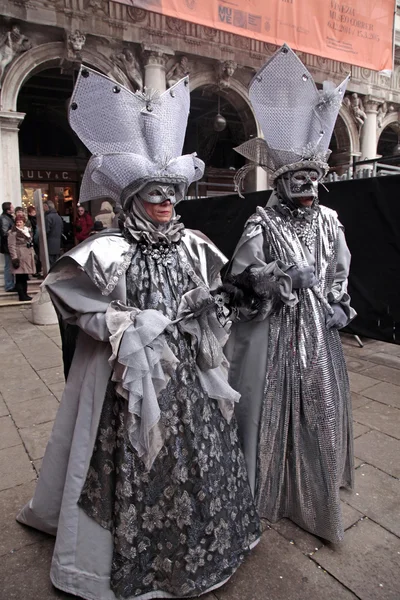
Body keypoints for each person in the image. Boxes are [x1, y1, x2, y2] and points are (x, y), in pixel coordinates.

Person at [17, 66, 260, 600]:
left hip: (186, 371)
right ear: (132, 199)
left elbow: (212, 294)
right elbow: (72, 300)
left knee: (198, 451)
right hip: (126, 375)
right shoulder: (107, 250)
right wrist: (122, 322)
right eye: (156, 195)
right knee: (118, 453)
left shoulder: (193, 243)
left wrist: (207, 307)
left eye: (171, 193)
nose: (167, 202)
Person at [225, 45, 356, 544]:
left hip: (318, 331)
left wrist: (338, 299)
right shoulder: (262, 221)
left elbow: (340, 266)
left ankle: (316, 489)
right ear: (280, 181)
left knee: (320, 403)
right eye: (300, 177)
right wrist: (276, 279)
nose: (310, 185)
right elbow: (239, 277)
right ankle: (270, 490)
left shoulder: (327, 220)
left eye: (315, 177)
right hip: (273, 329)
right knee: (267, 406)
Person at [8, 212, 35, 301]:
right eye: (17, 222)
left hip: (27, 256)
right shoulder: (13, 233)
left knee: (25, 277)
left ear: (24, 222)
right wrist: (14, 258)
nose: (19, 224)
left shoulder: (27, 230)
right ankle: (21, 295)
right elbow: (11, 246)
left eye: (20, 222)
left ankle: (25, 294)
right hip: (19, 256)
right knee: (19, 277)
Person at [0, 201, 15, 291]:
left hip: (9, 245)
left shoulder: (8, 218)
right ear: (8, 210)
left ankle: (11, 284)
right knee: (9, 266)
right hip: (8, 246)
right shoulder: (4, 219)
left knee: (11, 265)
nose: (13, 208)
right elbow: (4, 232)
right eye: (12, 207)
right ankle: (9, 285)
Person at [43, 200, 63, 267]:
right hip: (57, 242)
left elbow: (46, 230)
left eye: (44, 206)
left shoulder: (48, 217)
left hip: (49, 243)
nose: (43, 208)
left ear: (46, 206)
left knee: (50, 262)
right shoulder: (58, 217)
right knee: (56, 262)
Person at [27, 205, 42, 277]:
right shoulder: (32, 220)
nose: (34, 213)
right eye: (33, 212)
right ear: (29, 213)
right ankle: (36, 270)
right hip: (34, 240)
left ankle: (37, 270)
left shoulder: (35, 219)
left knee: (37, 256)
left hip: (35, 240)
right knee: (36, 256)